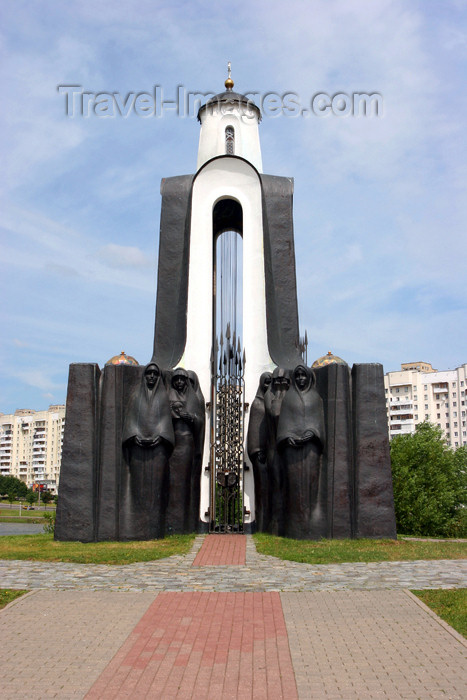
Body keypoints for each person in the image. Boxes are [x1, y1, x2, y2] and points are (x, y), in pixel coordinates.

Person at [122, 362, 174, 539]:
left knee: (156, 486)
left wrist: (161, 436)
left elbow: (166, 421)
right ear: (144, 376)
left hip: (158, 448)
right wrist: (134, 435)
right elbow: (130, 419)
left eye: (154, 374)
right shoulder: (136, 396)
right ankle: (137, 525)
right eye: (148, 374)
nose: (151, 377)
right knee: (138, 484)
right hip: (138, 446)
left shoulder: (163, 398)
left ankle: (154, 526)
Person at [276, 364, 325, 539]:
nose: (300, 379)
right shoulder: (289, 398)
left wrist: (314, 432)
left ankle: (311, 526)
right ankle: (294, 527)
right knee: (294, 486)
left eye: (303, 376)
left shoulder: (316, 398)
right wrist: (286, 437)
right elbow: (284, 423)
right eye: (297, 376)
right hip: (291, 450)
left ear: (309, 378)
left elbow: (319, 422)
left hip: (311, 448)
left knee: (311, 485)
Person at [166, 368, 205, 533]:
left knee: (184, 480)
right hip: (173, 441)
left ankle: (184, 521)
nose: (180, 382)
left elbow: (200, 421)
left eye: (183, 379)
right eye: (177, 380)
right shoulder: (169, 395)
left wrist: (193, 418)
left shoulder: (193, 398)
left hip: (187, 441)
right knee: (172, 481)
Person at [247, 372, 272, 532]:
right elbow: (254, 431)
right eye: (266, 382)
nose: (268, 385)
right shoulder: (258, 403)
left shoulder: (273, 401)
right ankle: (262, 524)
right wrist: (257, 450)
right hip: (261, 455)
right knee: (262, 490)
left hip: (272, 453)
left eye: (271, 382)